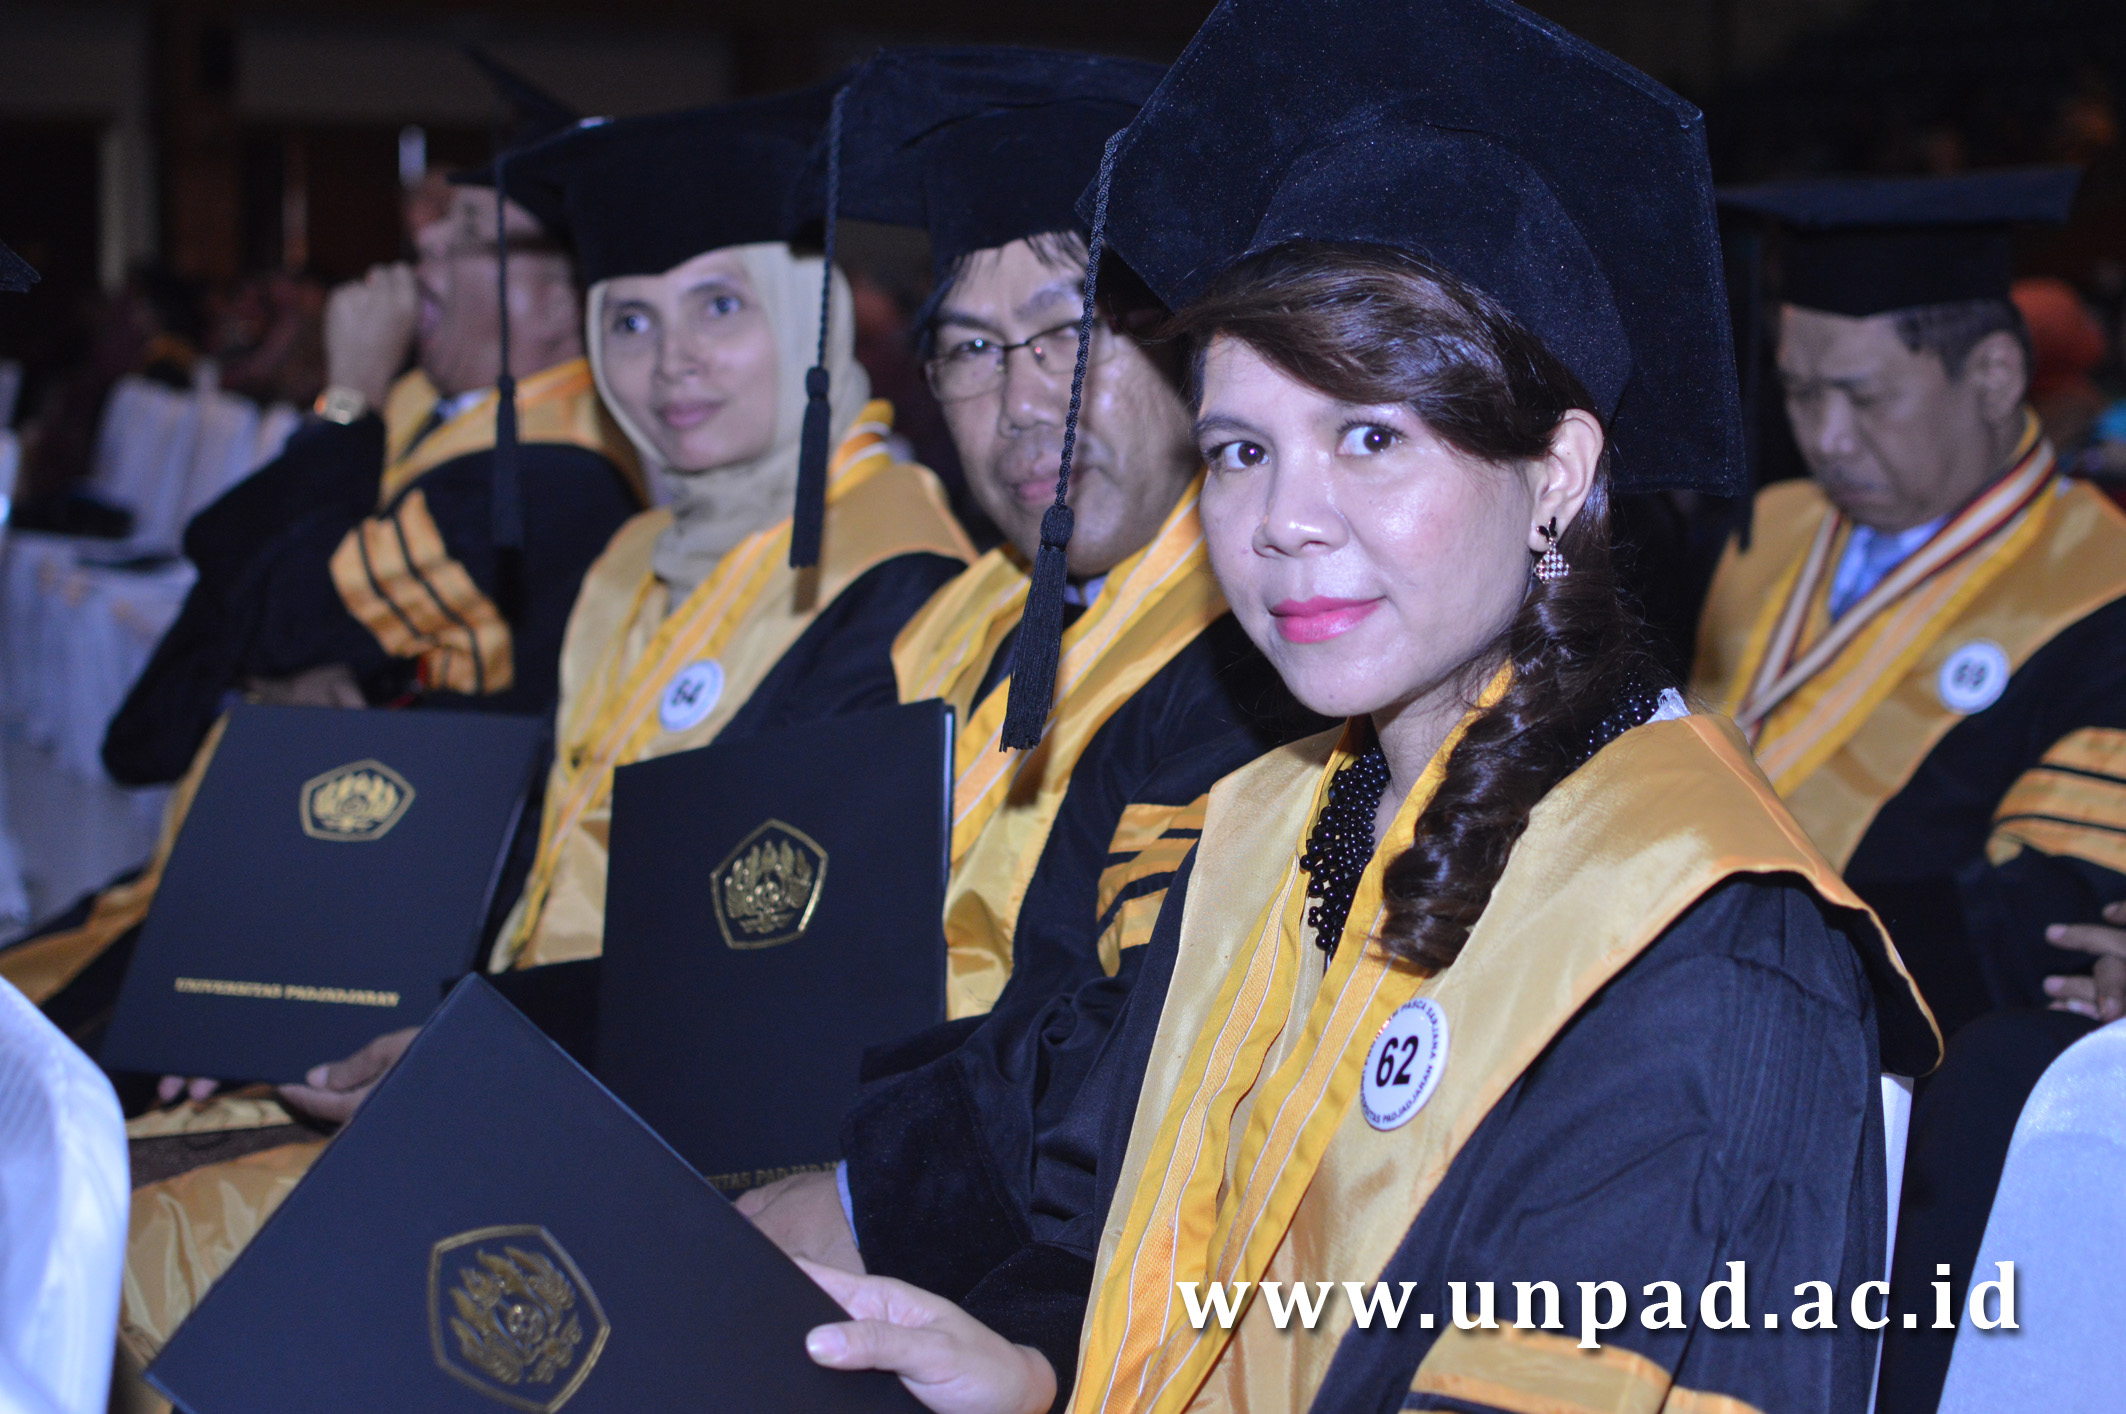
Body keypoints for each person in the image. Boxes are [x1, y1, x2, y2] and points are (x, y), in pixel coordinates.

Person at [782, 4, 1939, 1412]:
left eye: (1368, 434)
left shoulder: (1698, 933)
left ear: (1557, 473)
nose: (1282, 518)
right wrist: (1034, 1381)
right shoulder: (1275, 827)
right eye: (1238, 449)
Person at [109, 81, 977, 1373]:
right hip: (518, 1045)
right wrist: (292, 999)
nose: (669, 363)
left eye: (720, 307)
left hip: (671, 1141)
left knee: (140, 1257)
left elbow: (757, 987)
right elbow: (527, 843)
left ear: (811, 319)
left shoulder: (897, 579)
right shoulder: (634, 554)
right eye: (629, 319)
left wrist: (463, 1049)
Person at [734, 47, 1331, 1261]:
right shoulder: (921, 624)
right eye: (969, 349)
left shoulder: (1271, 676)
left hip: (1048, 1258)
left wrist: (858, 1199)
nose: (1019, 405)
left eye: (1067, 331)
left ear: (1190, 348)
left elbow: (1146, 1045)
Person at [0, 55, 643, 1046]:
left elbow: (274, 612)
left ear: (561, 305)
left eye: (469, 240)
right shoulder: (431, 414)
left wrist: (345, 401)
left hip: (380, 901)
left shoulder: (554, 478)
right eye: (435, 231)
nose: (422, 252)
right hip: (296, 847)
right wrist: (293, 658)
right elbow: (226, 559)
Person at [1698, 169, 2126, 1042]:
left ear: (1995, 375)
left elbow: (2046, 920)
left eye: (1865, 396)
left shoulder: (2103, 591)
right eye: (1800, 391)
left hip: (1903, 1066)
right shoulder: (1760, 534)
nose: (1828, 438)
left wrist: (1712, 946)